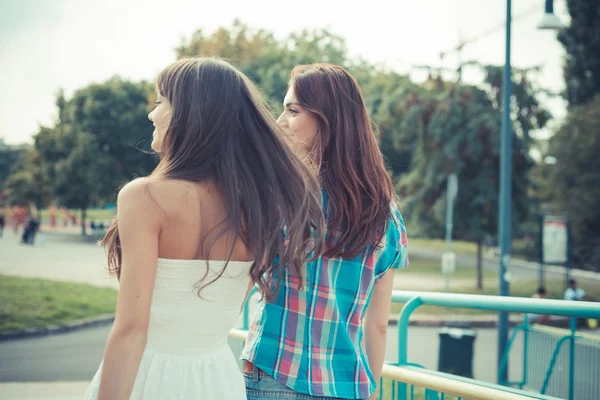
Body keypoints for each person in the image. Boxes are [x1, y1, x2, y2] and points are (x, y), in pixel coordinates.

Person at [84, 57, 325, 400]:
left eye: (160, 102)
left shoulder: (143, 197)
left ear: (189, 114)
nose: (152, 114)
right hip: (216, 381)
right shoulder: (259, 208)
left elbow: (131, 330)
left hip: (146, 378)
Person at [242, 63, 409, 400]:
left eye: (293, 110)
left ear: (327, 119)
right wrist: (370, 391)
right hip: (348, 386)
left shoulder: (281, 197)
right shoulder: (386, 214)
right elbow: (377, 324)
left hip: (275, 374)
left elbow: (240, 286)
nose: (280, 122)